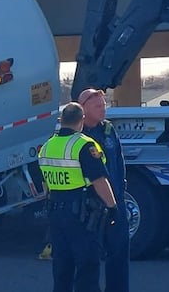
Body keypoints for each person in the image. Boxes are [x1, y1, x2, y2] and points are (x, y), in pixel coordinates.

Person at [39, 102, 118, 292]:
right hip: (82, 216)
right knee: (87, 269)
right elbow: (99, 181)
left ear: (61, 120)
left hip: (56, 214)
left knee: (62, 270)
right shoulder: (84, 145)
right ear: (81, 120)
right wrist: (113, 208)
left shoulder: (47, 146)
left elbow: (45, 185)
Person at [78, 88, 130, 292]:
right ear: (83, 109)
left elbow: (119, 159)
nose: (103, 110)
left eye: (104, 105)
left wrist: (121, 189)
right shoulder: (76, 135)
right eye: (98, 106)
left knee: (119, 254)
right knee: (88, 259)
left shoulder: (108, 129)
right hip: (90, 207)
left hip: (115, 202)